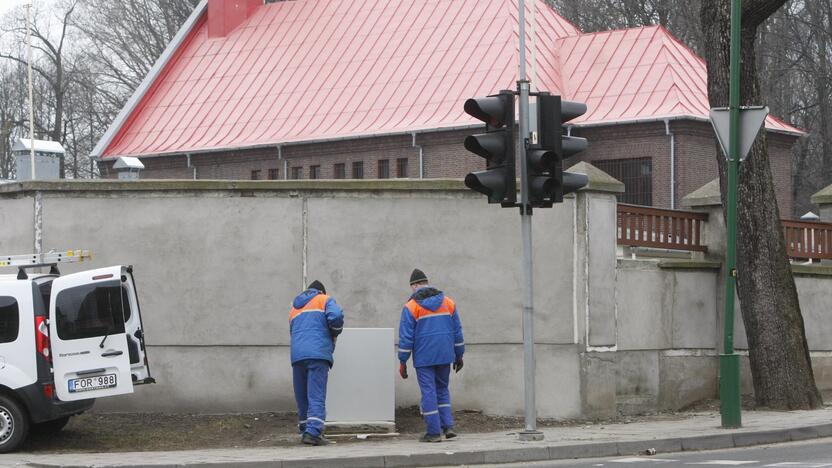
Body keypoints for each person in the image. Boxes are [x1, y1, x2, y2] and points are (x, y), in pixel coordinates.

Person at [397, 268, 465, 442]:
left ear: (415, 286)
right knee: (442, 389)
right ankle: (447, 426)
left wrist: (402, 361)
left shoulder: (411, 307)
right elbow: (457, 332)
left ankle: (433, 432)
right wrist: (459, 355)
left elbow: (406, 338)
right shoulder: (448, 303)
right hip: (445, 355)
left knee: (428, 392)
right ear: (427, 282)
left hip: (424, 357)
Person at [289, 280, 344, 446]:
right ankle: (313, 433)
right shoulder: (324, 299)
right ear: (320, 291)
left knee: (302, 394)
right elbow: (336, 317)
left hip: (297, 355)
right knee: (316, 393)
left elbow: (292, 330)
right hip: (317, 353)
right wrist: (334, 333)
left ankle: (305, 429)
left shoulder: (294, 306)